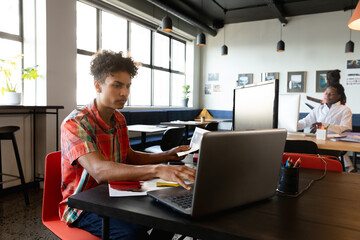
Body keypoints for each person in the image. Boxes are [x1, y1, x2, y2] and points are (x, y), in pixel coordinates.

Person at [60, 50, 196, 239]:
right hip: (83, 206)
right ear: (98, 86)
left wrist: (166, 155)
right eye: (117, 86)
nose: (125, 93)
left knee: (172, 213)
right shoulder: (75, 124)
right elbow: (100, 171)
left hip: (116, 193)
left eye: (127, 86)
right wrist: (157, 169)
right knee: (134, 234)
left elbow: (128, 156)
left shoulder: (119, 119)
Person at [298, 83, 355, 172]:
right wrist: (291, 124)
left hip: (333, 144)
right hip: (317, 141)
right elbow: (305, 122)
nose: (327, 96)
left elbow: (346, 128)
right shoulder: (319, 109)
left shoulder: (344, 110)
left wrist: (325, 125)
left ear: (339, 96)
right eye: (326, 93)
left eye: (331, 94)